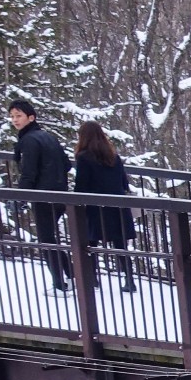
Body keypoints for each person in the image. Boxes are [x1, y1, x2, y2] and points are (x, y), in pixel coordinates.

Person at [9, 98, 73, 292]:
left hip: (44, 195)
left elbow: (29, 173)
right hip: (60, 193)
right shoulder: (47, 136)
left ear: (31, 117)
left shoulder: (28, 141)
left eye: (18, 116)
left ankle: (59, 283)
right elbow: (67, 164)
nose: (15, 120)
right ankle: (71, 275)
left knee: (46, 239)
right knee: (50, 237)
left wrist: (20, 198)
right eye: (12, 116)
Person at [73, 121, 137, 294]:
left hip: (96, 207)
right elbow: (124, 182)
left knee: (90, 242)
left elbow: (82, 185)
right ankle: (129, 279)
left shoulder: (83, 157)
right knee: (120, 243)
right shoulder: (113, 157)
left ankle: (92, 278)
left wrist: (75, 199)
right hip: (118, 205)